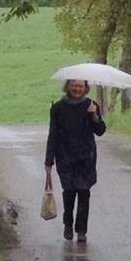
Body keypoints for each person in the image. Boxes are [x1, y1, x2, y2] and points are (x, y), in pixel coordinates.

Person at [44, 79, 106, 243]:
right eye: (74, 85)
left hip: (86, 158)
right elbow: (53, 135)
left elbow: (100, 131)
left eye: (80, 86)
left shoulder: (92, 105)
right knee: (69, 193)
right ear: (68, 86)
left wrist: (93, 115)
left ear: (85, 88)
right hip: (65, 157)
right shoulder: (58, 108)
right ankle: (68, 224)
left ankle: (81, 231)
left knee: (84, 193)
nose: (77, 89)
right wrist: (48, 161)